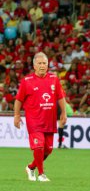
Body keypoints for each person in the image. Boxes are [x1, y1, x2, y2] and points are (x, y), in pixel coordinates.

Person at [14, 52, 67, 182]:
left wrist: (64, 113)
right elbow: (18, 100)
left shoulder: (54, 79)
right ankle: (41, 174)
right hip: (34, 120)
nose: (42, 66)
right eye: (40, 63)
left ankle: (31, 167)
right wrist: (16, 115)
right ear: (34, 66)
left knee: (48, 150)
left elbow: (60, 97)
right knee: (39, 147)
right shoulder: (27, 81)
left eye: (44, 63)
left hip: (49, 119)